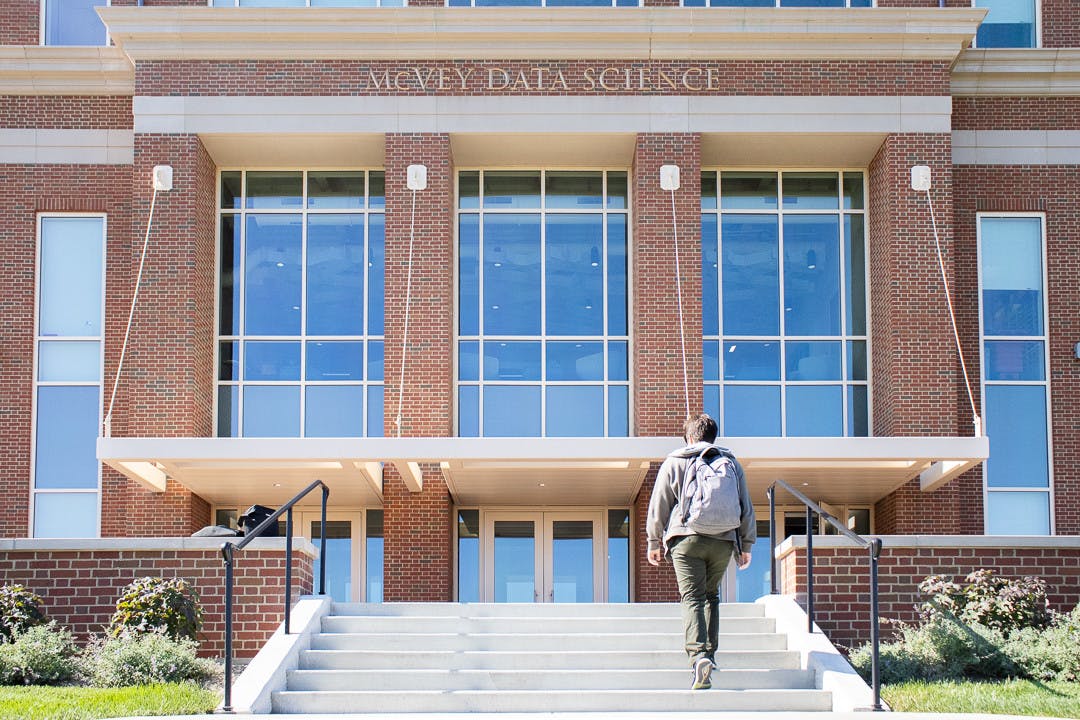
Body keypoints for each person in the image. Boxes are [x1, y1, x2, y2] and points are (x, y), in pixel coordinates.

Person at [646, 413, 755, 691]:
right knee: (711, 596)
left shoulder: (676, 461)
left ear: (690, 437)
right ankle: (711, 654)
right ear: (712, 436)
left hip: (687, 539)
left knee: (692, 596)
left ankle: (698, 658)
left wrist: (653, 541)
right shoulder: (730, 462)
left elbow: (659, 503)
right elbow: (746, 506)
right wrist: (746, 545)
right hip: (723, 540)